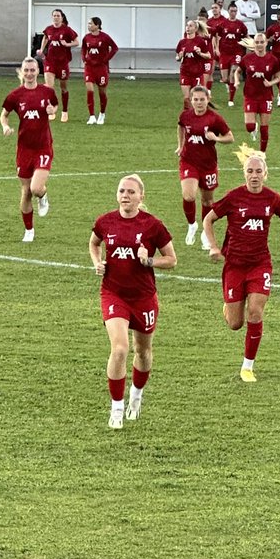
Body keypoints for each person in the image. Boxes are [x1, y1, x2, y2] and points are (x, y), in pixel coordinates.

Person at [89, 174, 177, 429]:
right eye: (121, 191)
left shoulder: (152, 226)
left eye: (130, 191)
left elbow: (171, 259)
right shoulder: (105, 222)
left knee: (143, 351)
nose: (125, 195)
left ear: (141, 196)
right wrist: (97, 263)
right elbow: (94, 243)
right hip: (114, 294)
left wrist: (149, 260)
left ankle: (136, 396)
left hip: (144, 297)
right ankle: (116, 407)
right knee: (119, 349)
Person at [202, 152, 280, 383]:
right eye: (249, 171)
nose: (254, 176)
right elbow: (208, 219)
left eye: (258, 171)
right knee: (236, 324)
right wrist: (213, 246)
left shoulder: (273, 199)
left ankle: (247, 367)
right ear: (244, 173)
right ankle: (229, 306)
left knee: (255, 311)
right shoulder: (234, 197)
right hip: (234, 265)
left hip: (260, 264)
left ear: (265, 174)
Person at [0, 55, 58, 242]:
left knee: (35, 187)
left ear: (38, 72)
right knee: (25, 192)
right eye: (26, 70)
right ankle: (29, 230)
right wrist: (5, 126)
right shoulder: (15, 96)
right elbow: (4, 115)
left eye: (33, 70)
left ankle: (43, 195)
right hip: (24, 149)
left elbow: (54, 106)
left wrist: (52, 112)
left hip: (43, 147)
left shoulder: (47, 92)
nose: (30, 73)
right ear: (22, 72)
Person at [176, 84, 234, 246]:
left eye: (202, 99)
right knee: (189, 195)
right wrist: (180, 146)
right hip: (189, 161)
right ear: (191, 100)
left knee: (208, 201)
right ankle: (192, 225)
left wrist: (216, 139)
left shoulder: (214, 118)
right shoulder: (185, 116)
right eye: (196, 99)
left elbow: (230, 137)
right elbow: (180, 127)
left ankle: (205, 232)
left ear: (208, 100)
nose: (199, 103)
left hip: (208, 165)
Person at [235, 32, 279, 153]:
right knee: (249, 127)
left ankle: (262, 153)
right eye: (257, 42)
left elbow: (278, 77)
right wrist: (236, 81)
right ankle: (254, 128)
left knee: (265, 128)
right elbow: (237, 71)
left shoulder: (272, 60)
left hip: (266, 97)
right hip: (250, 96)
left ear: (266, 43)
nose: (259, 45)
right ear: (254, 44)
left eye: (261, 42)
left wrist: (270, 83)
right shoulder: (247, 59)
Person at [37, 8, 77, 122]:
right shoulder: (49, 29)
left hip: (63, 63)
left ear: (62, 17)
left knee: (63, 88)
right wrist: (41, 49)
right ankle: (52, 109)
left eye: (58, 16)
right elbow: (45, 37)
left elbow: (77, 42)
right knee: (49, 87)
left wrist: (67, 44)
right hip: (50, 62)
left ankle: (65, 111)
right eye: (54, 15)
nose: (55, 17)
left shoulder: (67, 30)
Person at [81, 16, 119, 125]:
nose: (89, 26)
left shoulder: (105, 37)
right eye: (88, 24)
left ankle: (102, 114)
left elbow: (115, 48)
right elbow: (84, 48)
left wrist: (106, 59)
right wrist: (84, 58)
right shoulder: (86, 38)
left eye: (90, 24)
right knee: (89, 90)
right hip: (89, 68)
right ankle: (92, 116)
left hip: (101, 68)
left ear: (97, 25)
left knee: (102, 92)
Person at [216, 4, 249, 107]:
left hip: (237, 52)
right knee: (225, 78)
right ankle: (229, 85)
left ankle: (231, 99)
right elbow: (217, 36)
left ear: (237, 12)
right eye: (231, 11)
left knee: (233, 73)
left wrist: (250, 45)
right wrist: (216, 48)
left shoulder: (240, 25)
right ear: (228, 11)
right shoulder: (223, 24)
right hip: (225, 53)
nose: (233, 13)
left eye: (235, 11)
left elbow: (246, 36)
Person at [175, 19, 213, 108]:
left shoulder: (200, 41)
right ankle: (187, 117)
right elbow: (177, 57)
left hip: (197, 74)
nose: (187, 28)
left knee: (196, 97)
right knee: (186, 98)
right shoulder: (182, 42)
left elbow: (208, 55)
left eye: (190, 26)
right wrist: (179, 57)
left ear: (195, 29)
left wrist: (200, 53)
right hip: (185, 73)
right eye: (187, 25)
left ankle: (200, 115)